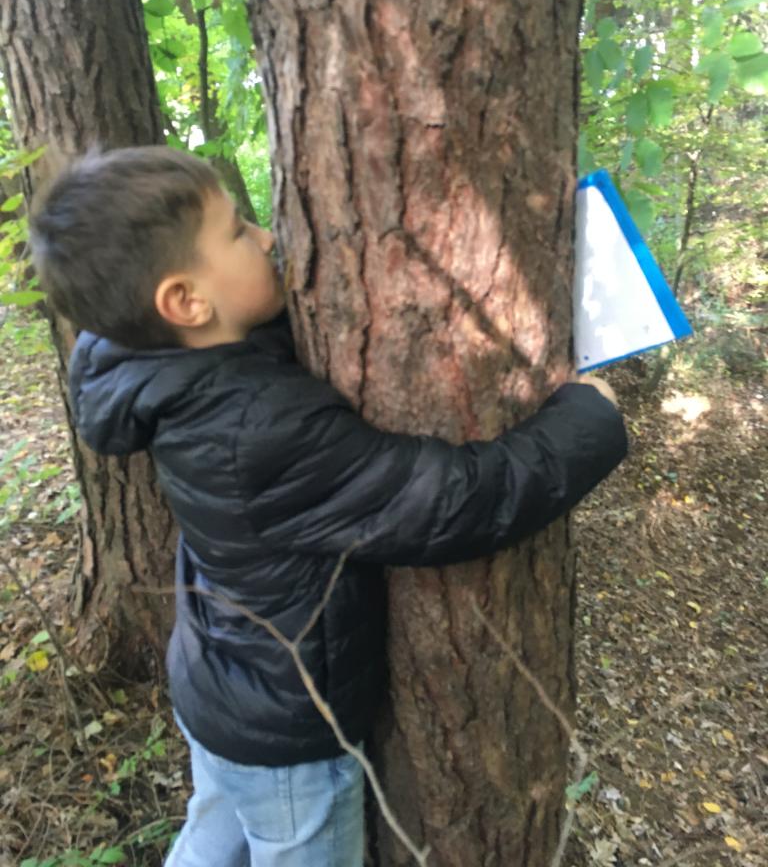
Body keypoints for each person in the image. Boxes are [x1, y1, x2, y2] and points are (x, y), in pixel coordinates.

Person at [30, 145, 628, 867]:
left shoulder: (154, 363)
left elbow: (251, 338)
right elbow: (448, 503)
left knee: (214, 835)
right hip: (284, 731)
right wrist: (585, 424)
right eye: (237, 232)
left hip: (216, 682)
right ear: (185, 302)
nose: (266, 237)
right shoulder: (258, 428)